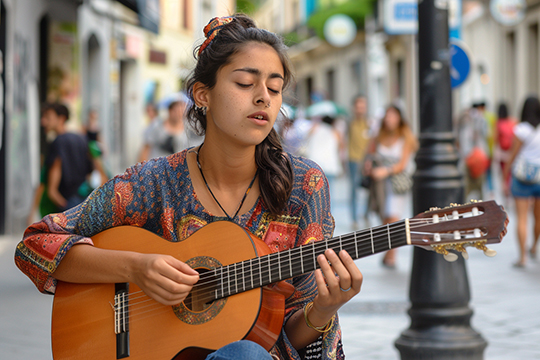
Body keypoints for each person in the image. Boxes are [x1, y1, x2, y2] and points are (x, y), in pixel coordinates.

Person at [15, 14, 363, 360]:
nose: (264, 98)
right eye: (245, 83)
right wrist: (135, 267)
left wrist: (321, 311)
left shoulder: (303, 185)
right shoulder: (154, 182)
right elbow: (35, 244)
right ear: (202, 94)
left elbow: (288, 336)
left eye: (274, 88)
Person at [364, 105, 418, 268]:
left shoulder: (405, 137)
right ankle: (388, 252)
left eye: (393, 116)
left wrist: (385, 171)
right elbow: (369, 154)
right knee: (384, 218)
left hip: (397, 184)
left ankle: (391, 255)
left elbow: (402, 164)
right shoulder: (378, 136)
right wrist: (368, 165)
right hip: (380, 185)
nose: (390, 119)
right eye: (388, 116)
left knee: (393, 218)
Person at [503, 96, 540, 268]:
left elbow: (513, 154)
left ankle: (523, 257)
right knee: (538, 218)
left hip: (521, 178)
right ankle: (534, 247)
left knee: (522, 218)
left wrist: (505, 174)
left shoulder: (521, 129)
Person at [40, 102, 95, 211]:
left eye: (48, 117)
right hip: (84, 199)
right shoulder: (81, 138)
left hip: (68, 203)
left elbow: (52, 191)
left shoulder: (58, 142)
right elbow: (90, 170)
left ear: (61, 118)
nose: (44, 122)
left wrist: (64, 206)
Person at [305, 115, 344, 208]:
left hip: (315, 165)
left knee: (314, 193)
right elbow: (340, 147)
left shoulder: (314, 129)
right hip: (330, 166)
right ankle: (328, 216)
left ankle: (315, 216)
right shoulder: (335, 132)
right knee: (329, 193)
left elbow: (305, 141)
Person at [347, 95, 371, 229]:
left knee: (369, 190)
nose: (360, 108)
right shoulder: (350, 123)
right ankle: (355, 219)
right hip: (353, 160)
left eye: (363, 106)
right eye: (358, 106)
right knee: (354, 190)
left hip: (366, 160)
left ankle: (366, 215)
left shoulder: (369, 123)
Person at [493, 102, 517, 197]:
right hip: (512, 151)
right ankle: (510, 189)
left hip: (503, 152)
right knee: (511, 173)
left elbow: (495, 139)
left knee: (504, 173)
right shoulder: (513, 122)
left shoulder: (498, 123)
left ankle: (505, 190)